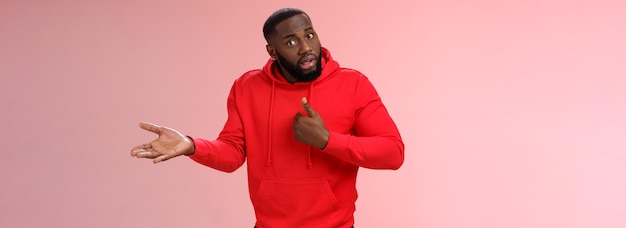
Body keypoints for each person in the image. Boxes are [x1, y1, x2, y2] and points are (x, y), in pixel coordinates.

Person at [130, 8, 404, 228]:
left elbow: (393, 153)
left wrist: (326, 140)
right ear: (272, 51)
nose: (306, 48)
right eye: (291, 42)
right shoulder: (246, 87)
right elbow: (233, 153)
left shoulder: (353, 84)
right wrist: (192, 145)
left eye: (310, 35)